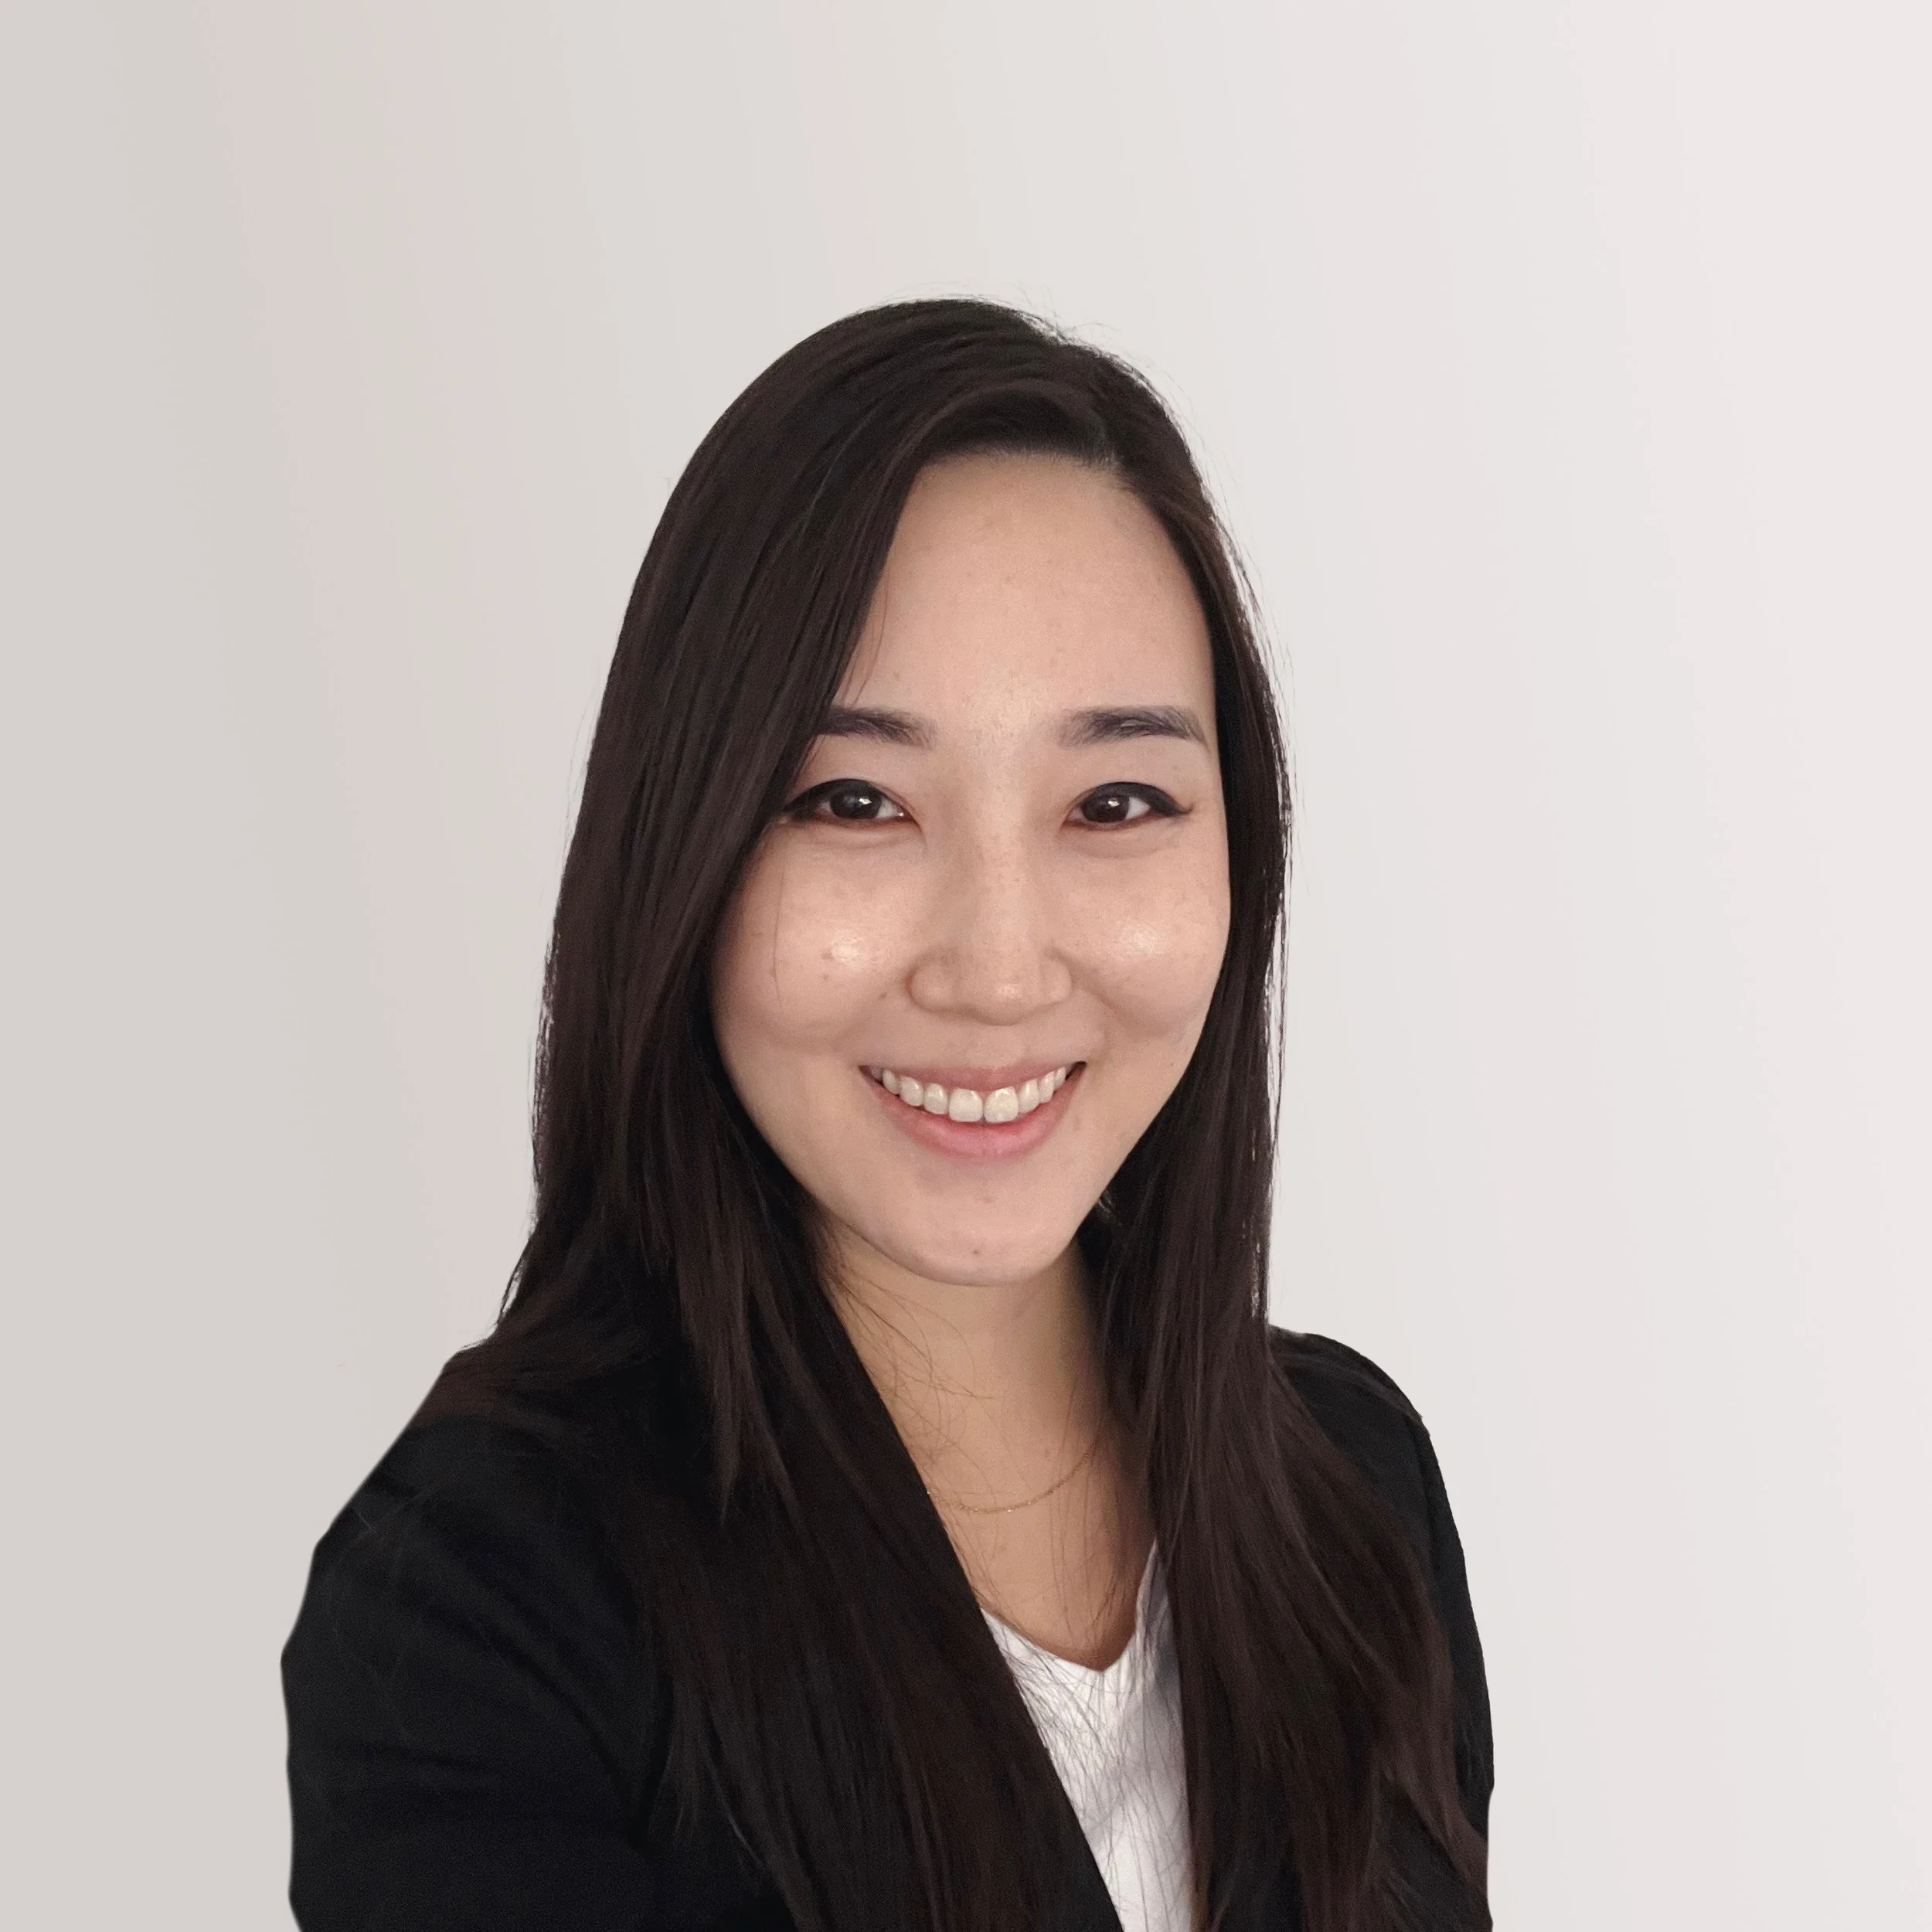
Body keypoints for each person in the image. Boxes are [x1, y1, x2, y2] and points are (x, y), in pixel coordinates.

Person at [281, 299, 1492, 1932]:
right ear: (688, 851)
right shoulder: (479, 1611)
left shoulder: (1350, 1494)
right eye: (855, 801)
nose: (997, 967)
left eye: (1114, 800)